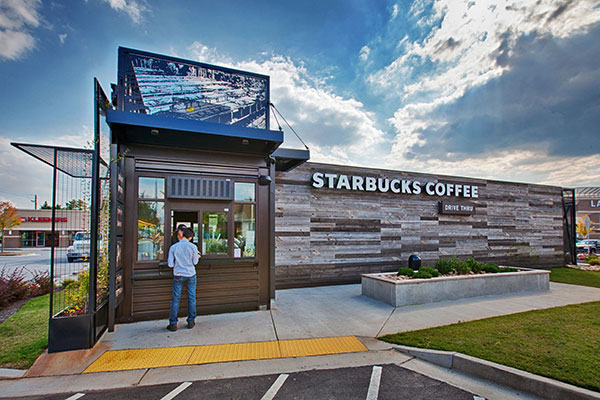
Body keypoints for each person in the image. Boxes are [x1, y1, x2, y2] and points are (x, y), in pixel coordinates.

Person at [167, 227, 199, 331]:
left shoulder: (174, 247)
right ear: (190, 237)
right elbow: (195, 262)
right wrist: (197, 257)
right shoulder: (193, 247)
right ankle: (191, 321)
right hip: (190, 274)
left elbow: (170, 264)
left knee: (175, 299)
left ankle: (173, 323)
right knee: (191, 298)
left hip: (178, 275)